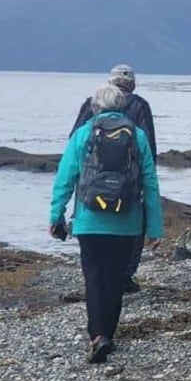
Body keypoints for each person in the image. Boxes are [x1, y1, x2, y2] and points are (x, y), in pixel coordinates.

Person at [50, 84, 163, 363]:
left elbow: (65, 179)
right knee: (114, 279)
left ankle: (97, 335)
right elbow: (150, 183)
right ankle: (107, 335)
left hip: (89, 222)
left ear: (94, 107)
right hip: (126, 223)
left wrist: (56, 216)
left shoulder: (82, 134)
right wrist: (155, 227)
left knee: (94, 278)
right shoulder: (137, 136)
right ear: (124, 106)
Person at [72, 65, 157, 293]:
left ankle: (94, 275)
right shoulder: (140, 105)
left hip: (91, 180)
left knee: (90, 223)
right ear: (132, 83)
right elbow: (148, 145)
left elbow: (75, 138)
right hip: (129, 180)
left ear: (110, 81)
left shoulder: (92, 102)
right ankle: (125, 274)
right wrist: (146, 179)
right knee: (131, 228)